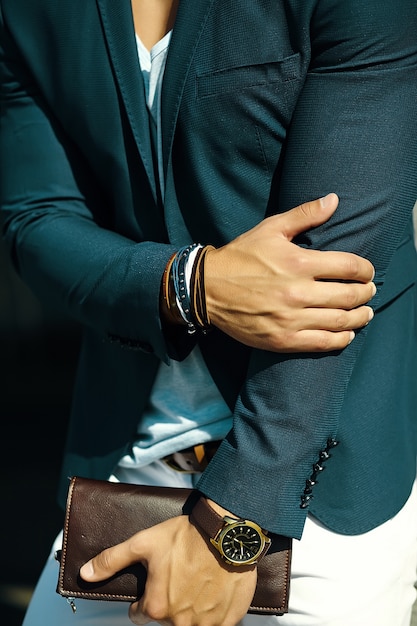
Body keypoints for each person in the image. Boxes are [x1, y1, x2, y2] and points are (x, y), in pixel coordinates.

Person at [1, 1, 417, 625]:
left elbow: (334, 279)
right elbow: (35, 221)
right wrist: (191, 285)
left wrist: (230, 527)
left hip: (313, 484)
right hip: (123, 479)